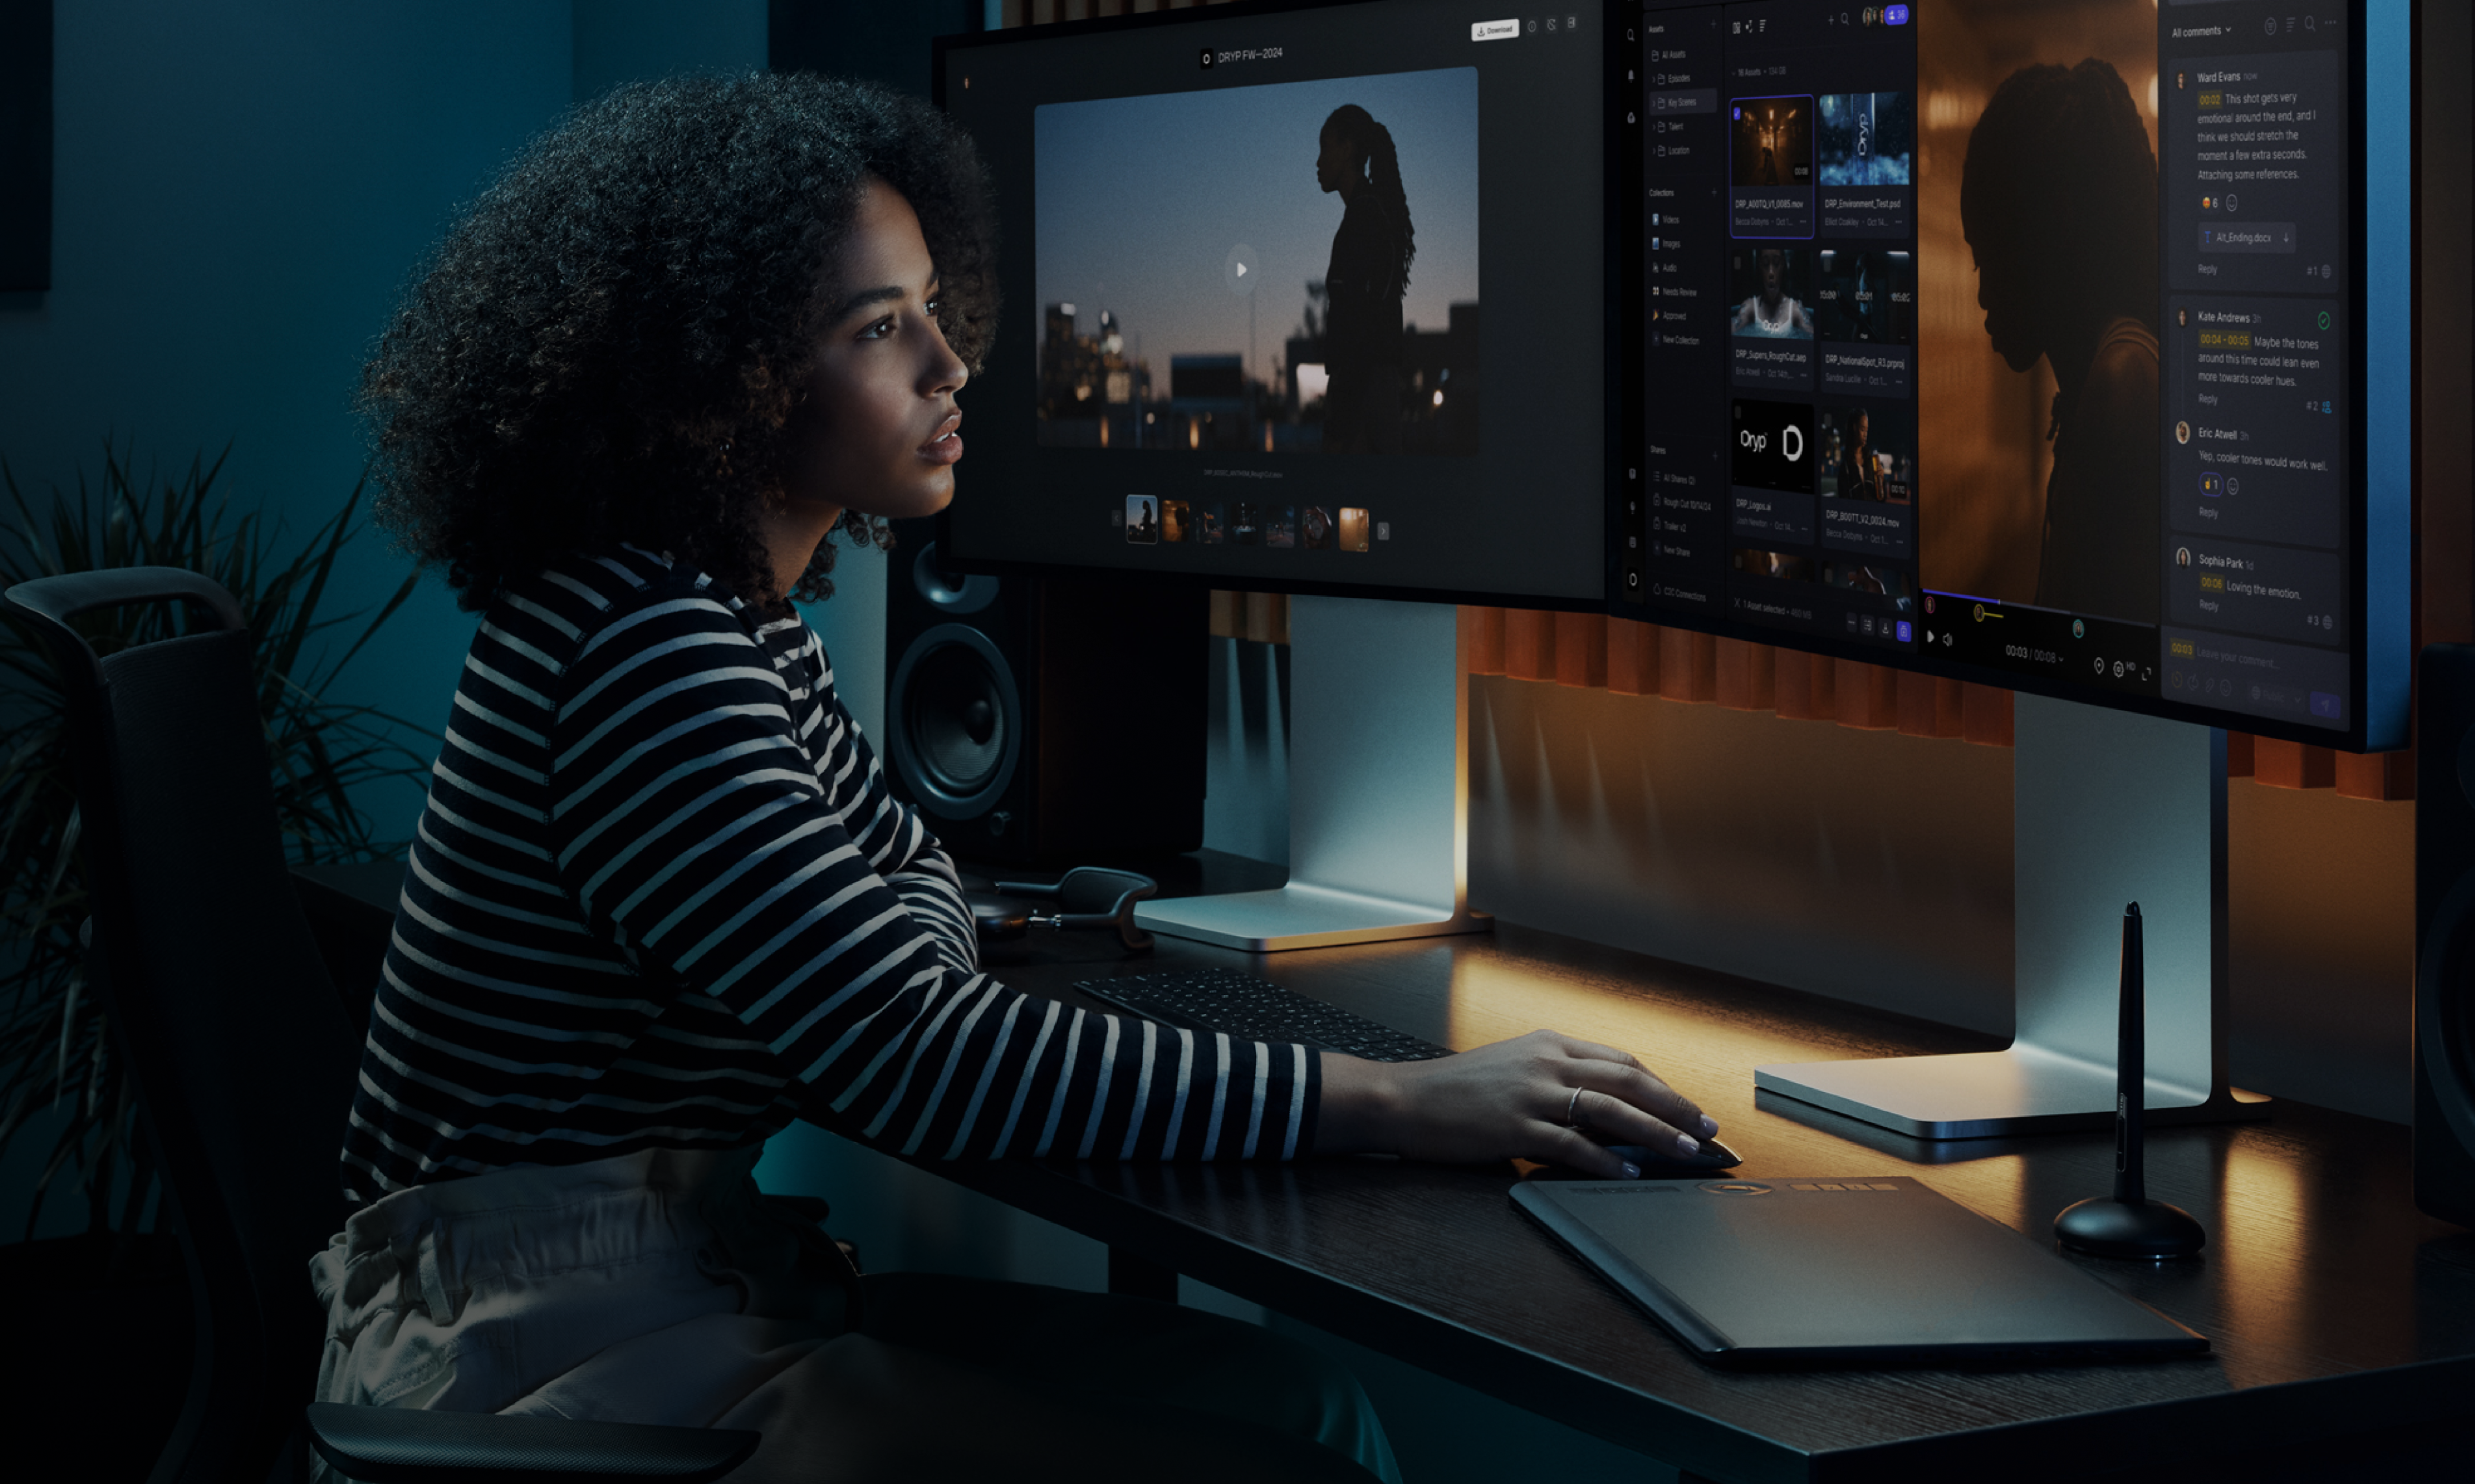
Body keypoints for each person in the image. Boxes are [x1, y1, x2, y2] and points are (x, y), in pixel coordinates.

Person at [326, 75, 1713, 1484]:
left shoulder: (735, 621)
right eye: (880, 328)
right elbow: (919, 1057)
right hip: (543, 1354)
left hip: (675, 1279)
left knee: (1302, 1409)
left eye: (934, 304)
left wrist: (902, 956)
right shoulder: (646, 654)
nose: (951, 362)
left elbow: (916, 879)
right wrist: (1402, 1101)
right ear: (716, 379)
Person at [1960, 58, 2161, 626]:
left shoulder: (2123, 385)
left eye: (1989, 257)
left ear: (2044, 239)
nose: (1982, 296)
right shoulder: (2105, 378)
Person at [1315, 104, 1413, 454]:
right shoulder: (1366, 215)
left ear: (1348, 148)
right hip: (1365, 392)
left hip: (1362, 398)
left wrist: (1341, 420)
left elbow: (1363, 324)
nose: (1318, 161)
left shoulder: (1366, 218)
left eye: (1325, 148)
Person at [1730, 246, 1814, 339]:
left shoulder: (1795, 310)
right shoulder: (1751, 308)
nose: (1771, 273)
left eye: (1776, 263)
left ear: (1783, 265)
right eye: (1766, 264)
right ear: (1760, 266)